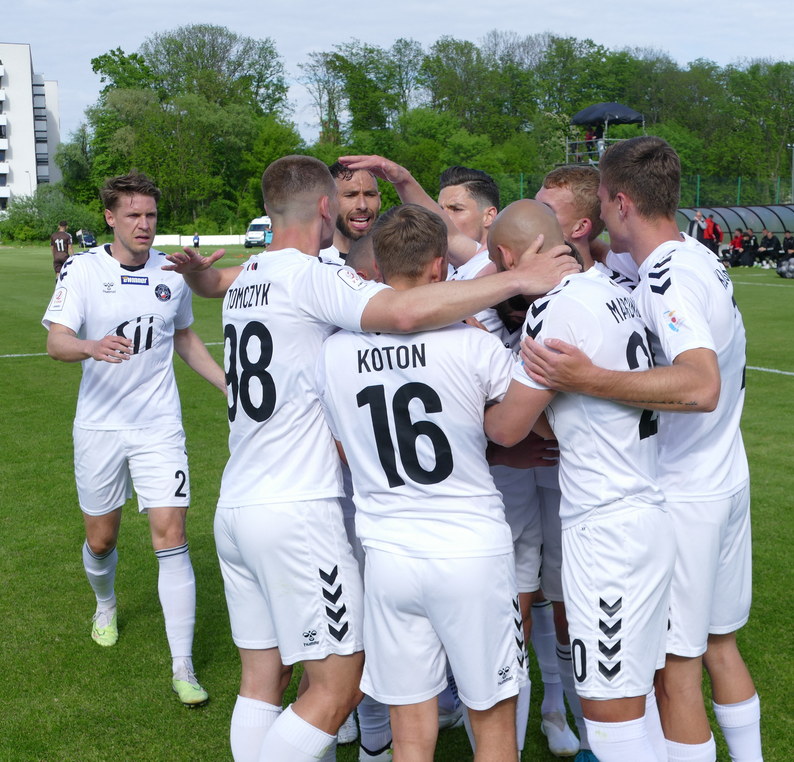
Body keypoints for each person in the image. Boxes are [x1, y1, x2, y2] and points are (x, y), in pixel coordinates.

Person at [163, 155, 578, 762]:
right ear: (327, 208)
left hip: (245, 504)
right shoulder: (317, 279)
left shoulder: (257, 277)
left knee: (266, 681)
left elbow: (215, 285)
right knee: (340, 688)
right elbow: (408, 314)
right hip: (310, 512)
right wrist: (519, 280)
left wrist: (201, 276)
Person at [521, 136, 763, 762]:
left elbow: (700, 383)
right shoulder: (692, 255)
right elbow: (606, 261)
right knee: (718, 646)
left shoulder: (668, 279)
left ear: (621, 201)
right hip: (725, 476)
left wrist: (586, 380)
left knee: (673, 675)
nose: (598, 213)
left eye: (601, 201)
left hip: (682, 491)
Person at [317, 204, 528, 762]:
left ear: (379, 270)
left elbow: (343, 446)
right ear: (441, 268)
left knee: (411, 736)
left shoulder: (333, 353)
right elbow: (517, 432)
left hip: (389, 557)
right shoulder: (474, 345)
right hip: (470, 552)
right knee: (494, 728)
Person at [484, 199, 675, 762]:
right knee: (640, 699)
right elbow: (572, 409)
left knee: (610, 715)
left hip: (605, 529)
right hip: (649, 509)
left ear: (505, 258)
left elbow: (508, 428)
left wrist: (468, 383)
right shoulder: (613, 288)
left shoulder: (551, 311)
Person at [42, 169, 226, 707]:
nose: (144, 224)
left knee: (170, 534)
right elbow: (56, 342)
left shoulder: (170, 273)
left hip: (159, 425)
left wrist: (224, 383)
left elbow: (183, 336)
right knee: (101, 540)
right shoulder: (81, 270)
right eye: (133, 215)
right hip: (99, 427)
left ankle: (183, 666)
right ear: (110, 217)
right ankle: (105, 603)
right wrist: (90, 347)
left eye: (150, 215)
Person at [320, 163, 382, 264]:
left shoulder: (393, 257)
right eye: (351, 195)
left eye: (370, 195)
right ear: (328, 203)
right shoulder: (311, 262)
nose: (362, 205)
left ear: (379, 201)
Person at [437, 166, 499, 251]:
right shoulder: (432, 260)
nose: (442, 218)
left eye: (456, 209)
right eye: (440, 210)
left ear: (489, 216)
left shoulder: (502, 262)